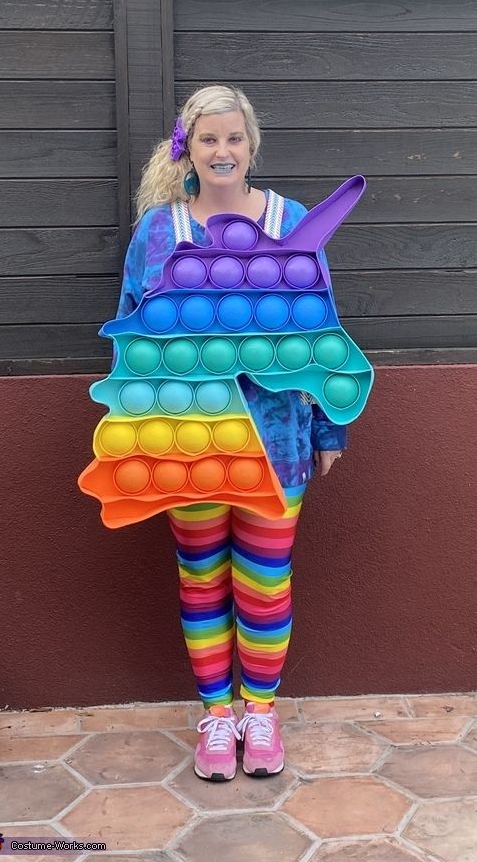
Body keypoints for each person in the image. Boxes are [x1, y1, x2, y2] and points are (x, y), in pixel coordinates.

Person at [115, 84, 347, 782]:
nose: (224, 151)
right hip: (187, 440)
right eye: (210, 138)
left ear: (252, 147)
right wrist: (133, 426)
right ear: (189, 147)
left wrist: (329, 425)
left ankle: (262, 713)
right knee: (202, 580)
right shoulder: (158, 231)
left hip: (277, 438)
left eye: (235, 139)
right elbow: (129, 328)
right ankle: (218, 718)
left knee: (265, 584)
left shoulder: (290, 219)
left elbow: (321, 325)